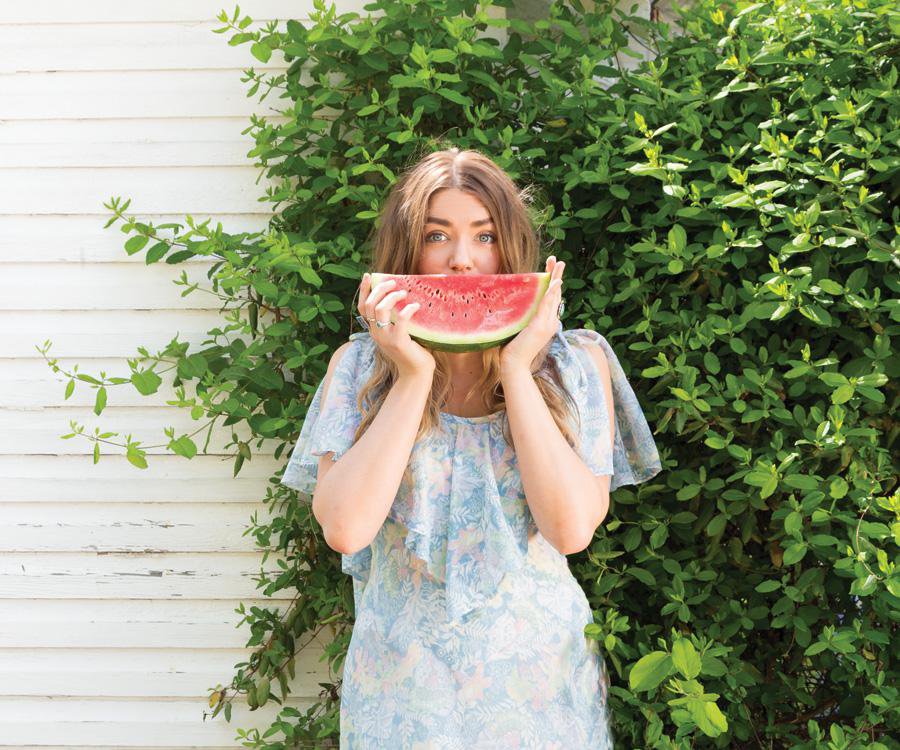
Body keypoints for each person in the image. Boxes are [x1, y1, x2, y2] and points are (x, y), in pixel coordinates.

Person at [280, 147, 662, 748]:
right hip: (401, 690)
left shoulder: (576, 365)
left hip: (538, 687)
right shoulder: (359, 369)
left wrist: (516, 368)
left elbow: (570, 530)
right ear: (408, 251)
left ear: (511, 248)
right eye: (438, 236)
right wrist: (411, 377)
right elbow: (345, 529)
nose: (462, 261)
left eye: (484, 237)